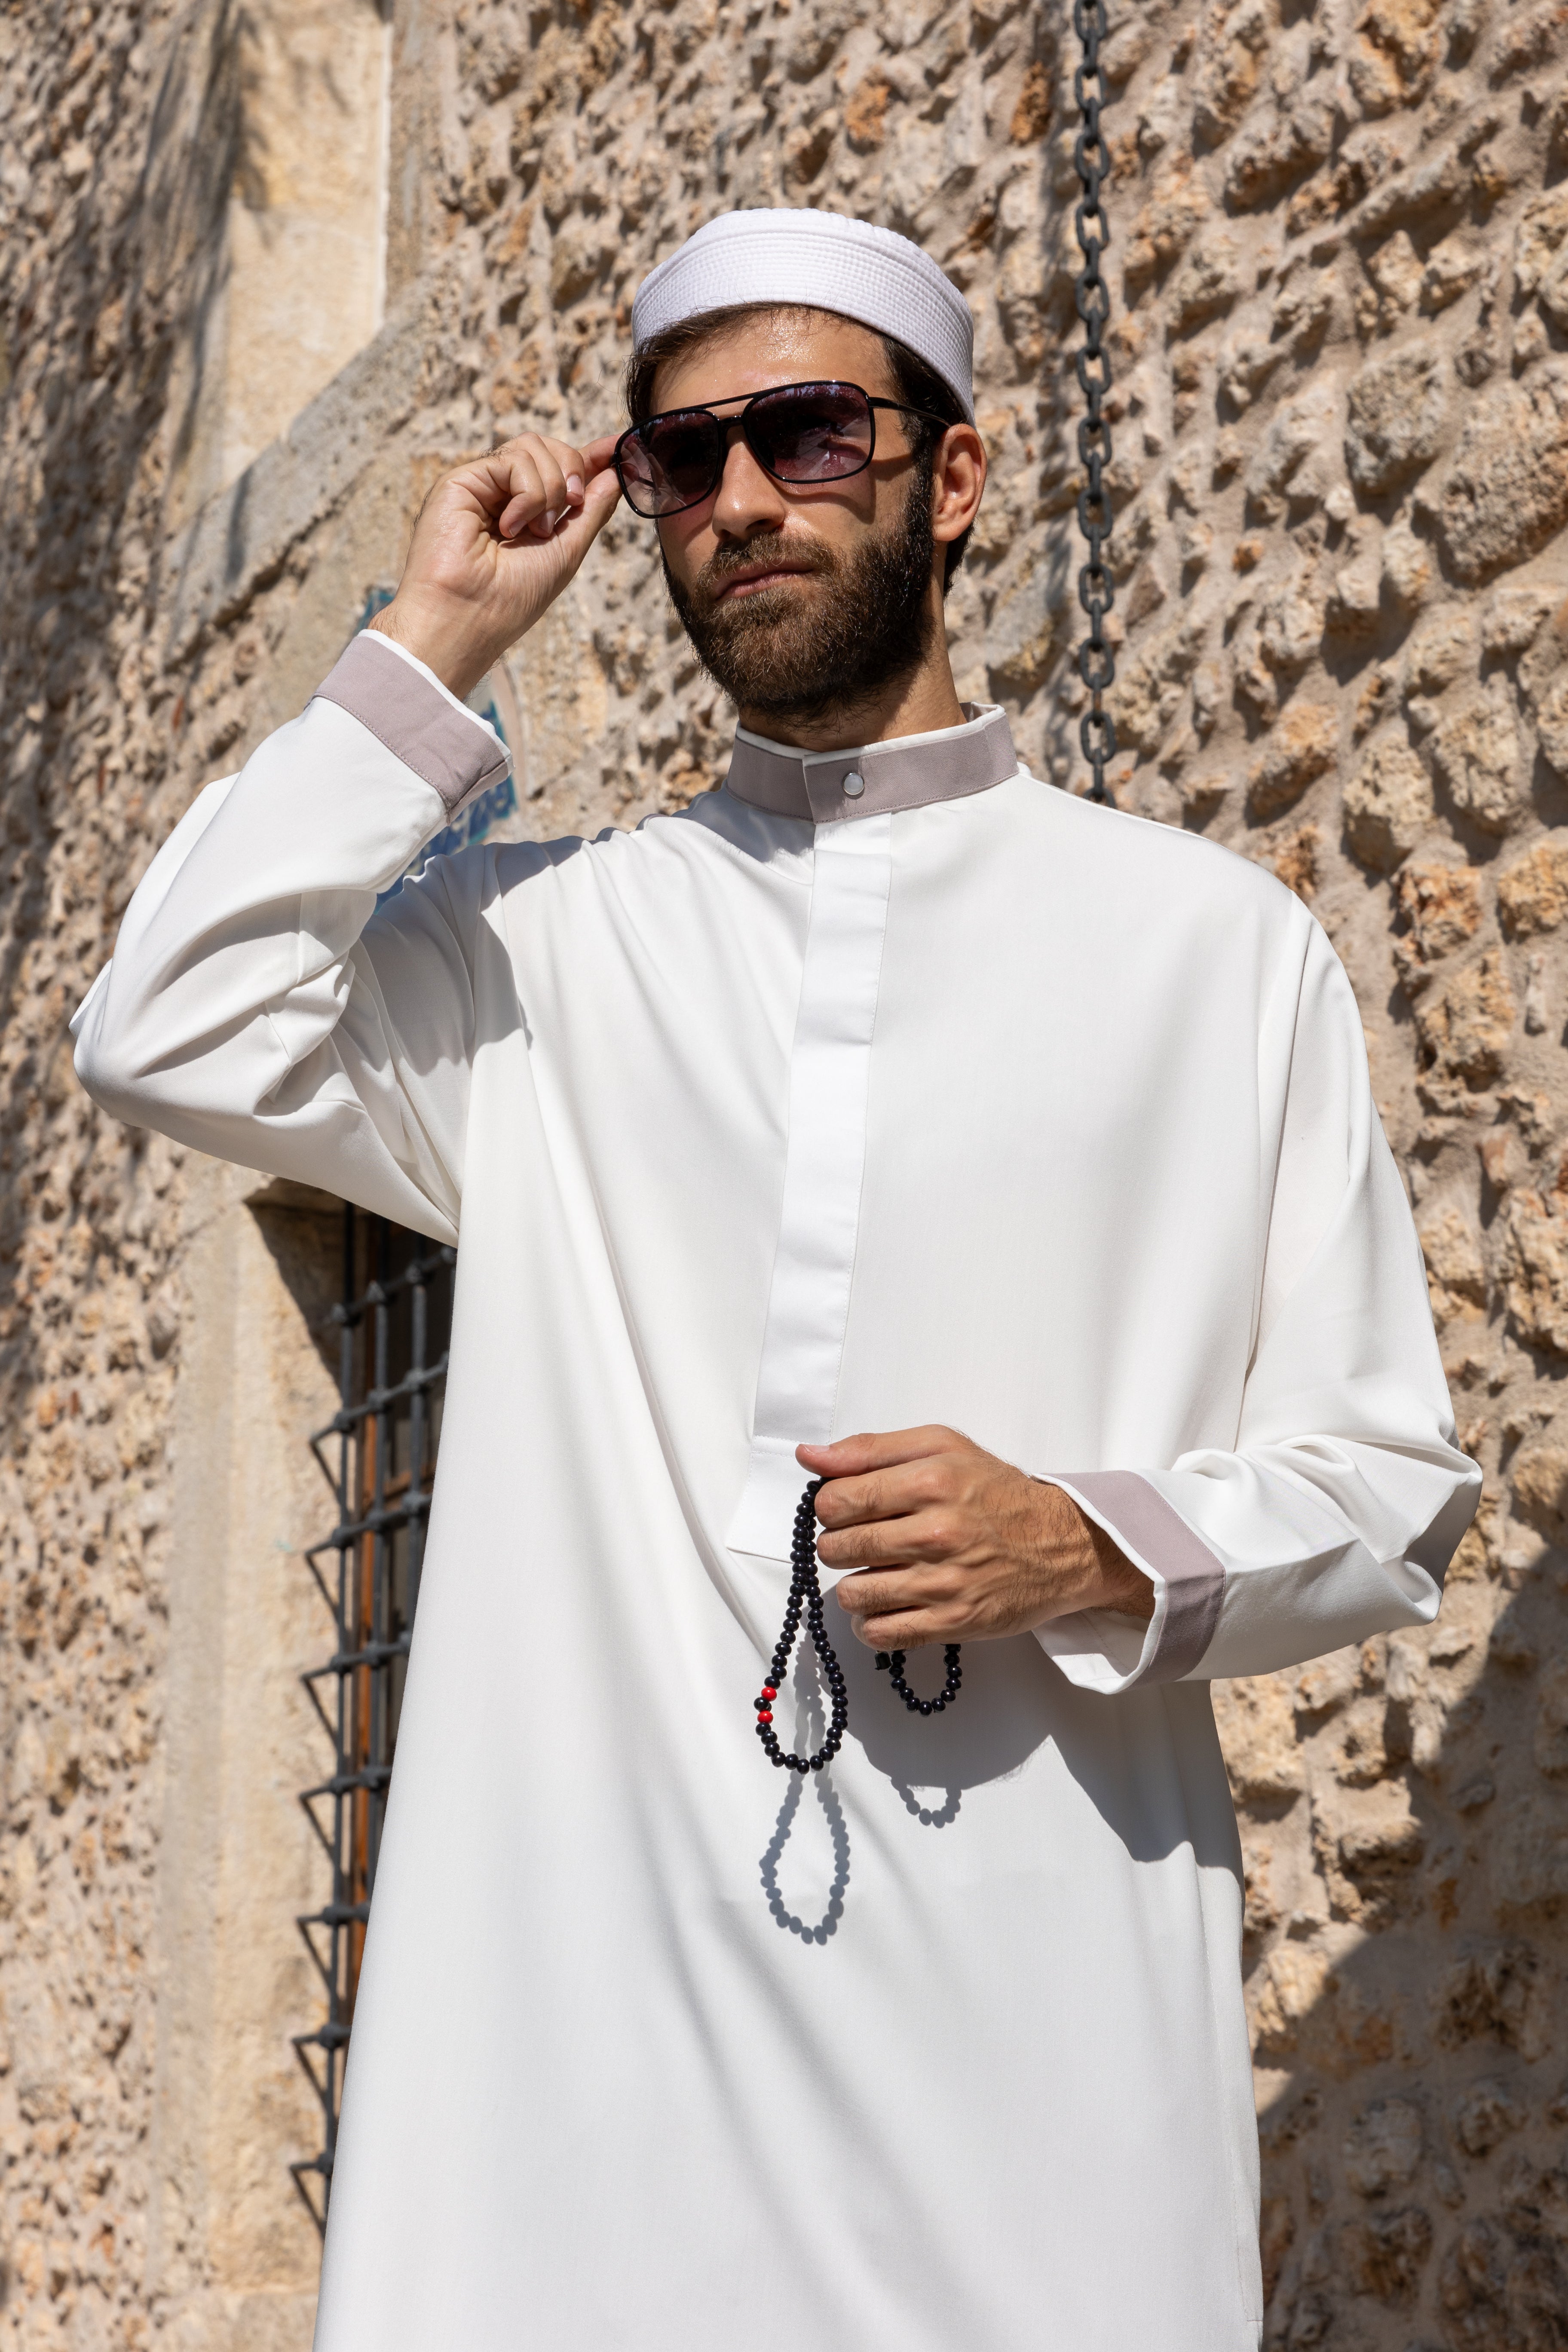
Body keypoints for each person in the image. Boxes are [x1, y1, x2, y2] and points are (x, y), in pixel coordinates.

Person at [74, 207, 1478, 2349]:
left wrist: (1081, 1537)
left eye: (811, 433)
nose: (740, 498)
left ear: (956, 473)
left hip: (1030, 2077)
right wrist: (432, 639)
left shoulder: (1211, 957)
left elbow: (1389, 1486)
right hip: (571, 2109)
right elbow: (165, 1022)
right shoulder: (544, 957)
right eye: (683, 456)